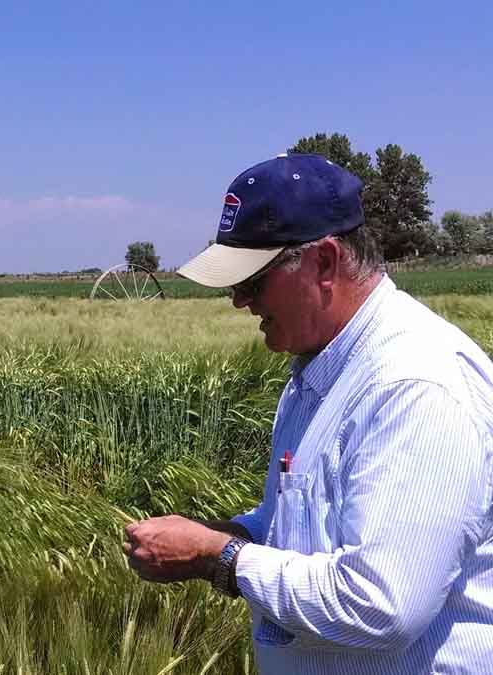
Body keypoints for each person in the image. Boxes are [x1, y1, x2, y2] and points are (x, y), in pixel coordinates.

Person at [123, 153, 493, 673]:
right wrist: (227, 534)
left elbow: (383, 605)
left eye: (251, 282)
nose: (238, 302)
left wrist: (217, 557)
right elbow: (295, 528)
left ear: (323, 262)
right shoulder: (319, 371)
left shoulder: (414, 386)